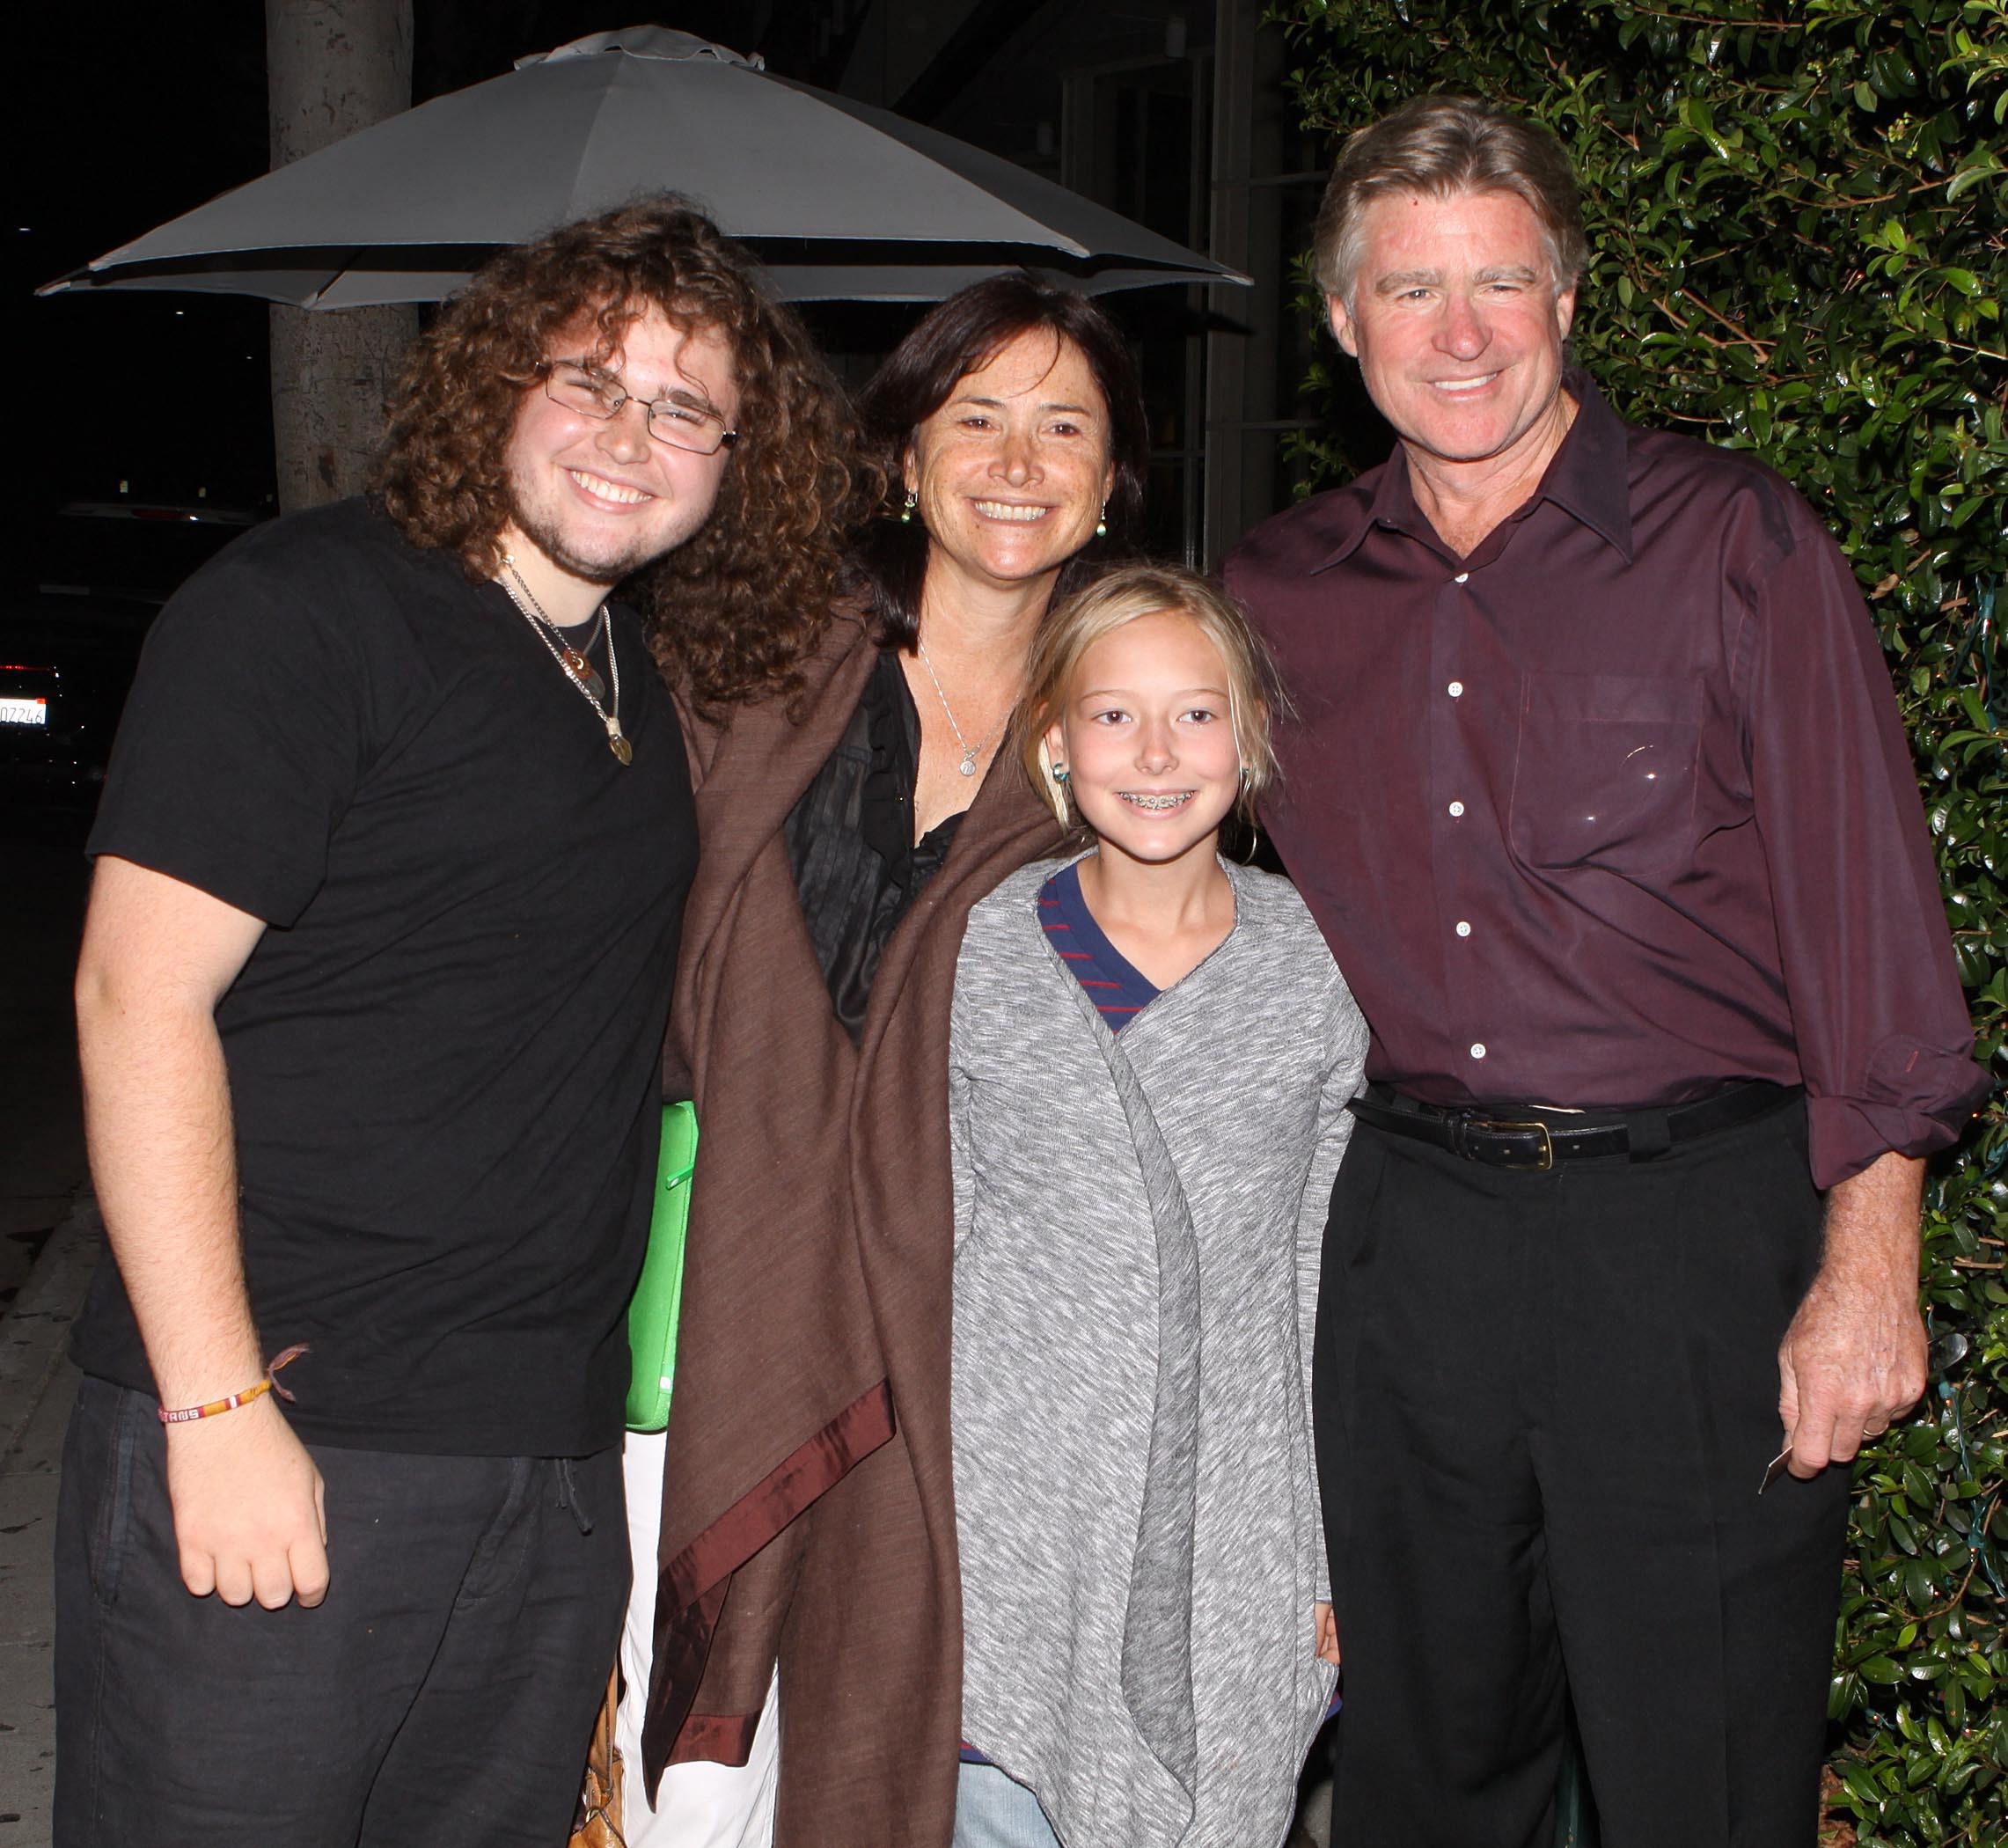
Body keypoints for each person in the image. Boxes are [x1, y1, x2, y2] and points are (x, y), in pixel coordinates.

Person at [1224, 96, 1990, 1847]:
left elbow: (1868, 932)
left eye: (1500, 282)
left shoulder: (1736, 547)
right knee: (1418, 1777)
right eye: (1410, 291)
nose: (1462, 334)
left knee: (1702, 1777)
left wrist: (1868, 1270)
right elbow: (1148, 856)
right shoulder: (1274, 594)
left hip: (1692, 1245)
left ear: (1566, 299)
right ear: (1342, 322)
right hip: (1409, 1245)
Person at [55, 196, 862, 1848]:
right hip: (299, 1422)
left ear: (736, 459)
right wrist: (216, 1416)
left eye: (685, 407)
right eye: (587, 379)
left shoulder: (626, 669)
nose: (629, 438)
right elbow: (136, 995)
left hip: (543, 1472)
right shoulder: (306, 609)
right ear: (494, 382)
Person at [616, 275, 1150, 1848]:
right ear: (901, 455)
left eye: (1064, 425)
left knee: (891, 1751)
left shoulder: (1135, 729)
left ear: (1113, 478)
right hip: (714, 1295)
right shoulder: (749, 663)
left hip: (971, 1357)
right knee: (691, 1803)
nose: (1015, 458)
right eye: (973, 416)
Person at [948, 564, 1362, 1848]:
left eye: (1195, 714)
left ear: (1248, 739)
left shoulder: (1322, 964)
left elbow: (1326, 1274)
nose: (1155, 753)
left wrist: (1330, 1548)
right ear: (1054, 745)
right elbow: (933, 1231)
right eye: (1112, 715)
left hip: (1240, 1514)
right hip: (1008, 1512)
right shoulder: (975, 950)